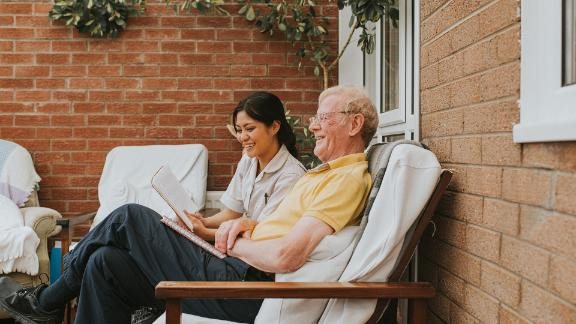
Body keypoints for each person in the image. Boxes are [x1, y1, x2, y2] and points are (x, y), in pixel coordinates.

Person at [0, 85, 379, 324]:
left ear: (353, 123)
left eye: (322, 117)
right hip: (237, 265)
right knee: (104, 263)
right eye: (314, 118)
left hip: (249, 284)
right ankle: (52, 300)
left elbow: (284, 258)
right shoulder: (323, 175)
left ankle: (49, 301)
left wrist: (229, 237)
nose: (312, 125)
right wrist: (227, 227)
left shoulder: (344, 179)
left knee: (129, 217)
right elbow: (268, 228)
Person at [186, 91, 306, 241]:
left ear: (274, 127)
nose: (242, 137)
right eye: (239, 130)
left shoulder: (291, 175)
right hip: (238, 247)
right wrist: (202, 222)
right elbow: (232, 212)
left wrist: (204, 233)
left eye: (249, 129)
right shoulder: (248, 161)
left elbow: (263, 233)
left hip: (259, 254)